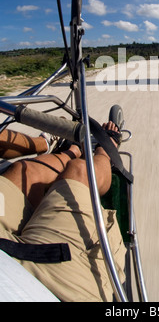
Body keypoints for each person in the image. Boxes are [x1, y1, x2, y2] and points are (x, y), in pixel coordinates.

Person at [0, 122, 126, 302]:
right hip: (50, 285)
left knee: (24, 172)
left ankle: (71, 150)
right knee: (79, 170)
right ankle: (105, 151)